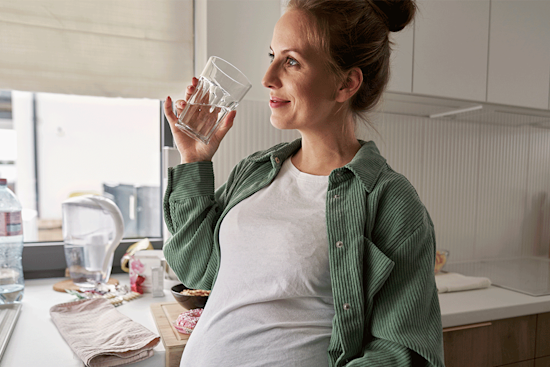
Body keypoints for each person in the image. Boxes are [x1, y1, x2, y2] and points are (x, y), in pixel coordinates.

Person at [162, 0, 444, 366]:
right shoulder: (256, 171)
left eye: (291, 61)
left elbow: (403, 353)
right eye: (272, 55)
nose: (267, 77)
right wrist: (195, 162)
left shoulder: (390, 201)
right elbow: (196, 269)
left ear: (346, 83)